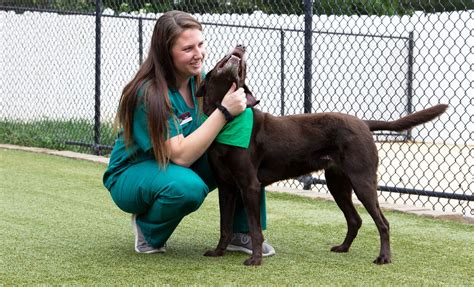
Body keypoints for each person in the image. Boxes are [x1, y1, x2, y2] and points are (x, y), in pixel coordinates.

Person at [103, 10, 275, 256]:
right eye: (187, 49)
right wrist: (224, 111)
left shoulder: (200, 80)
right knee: (188, 188)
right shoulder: (148, 93)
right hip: (133, 173)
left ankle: (242, 232)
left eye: (201, 44)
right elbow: (181, 156)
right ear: (165, 52)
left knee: (244, 155)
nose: (199, 54)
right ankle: (148, 231)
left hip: (174, 164)